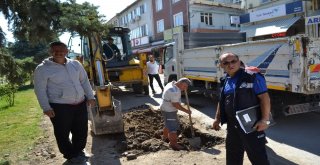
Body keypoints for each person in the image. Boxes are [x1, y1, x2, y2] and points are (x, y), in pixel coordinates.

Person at [34, 41, 96, 164]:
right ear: (50, 52)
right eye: (55, 50)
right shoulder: (42, 69)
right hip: (60, 106)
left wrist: (90, 96)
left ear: (67, 51)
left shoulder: (75, 64)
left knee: (81, 130)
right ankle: (70, 155)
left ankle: (79, 151)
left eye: (61, 50)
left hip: (80, 103)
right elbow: (39, 90)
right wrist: (46, 107)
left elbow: (84, 81)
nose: (58, 53)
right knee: (62, 132)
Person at [212, 52, 271, 165]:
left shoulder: (252, 76)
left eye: (233, 61)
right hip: (232, 126)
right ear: (221, 65)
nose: (230, 65)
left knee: (258, 158)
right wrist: (217, 118)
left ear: (239, 61)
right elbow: (222, 101)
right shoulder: (225, 80)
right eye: (226, 63)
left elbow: (264, 98)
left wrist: (264, 120)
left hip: (251, 126)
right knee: (233, 157)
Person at [160, 77, 192, 150]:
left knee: (168, 124)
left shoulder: (172, 83)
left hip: (165, 107)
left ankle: (164, 138)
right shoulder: (174, 91)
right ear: (180, 83)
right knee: (173, 127)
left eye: (186, 87)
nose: (185, 88)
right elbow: (176, 105)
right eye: (184, 86)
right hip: (169, 110)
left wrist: (183, 89)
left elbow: (175, 102)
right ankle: (173, 144)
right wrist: (186, 111)